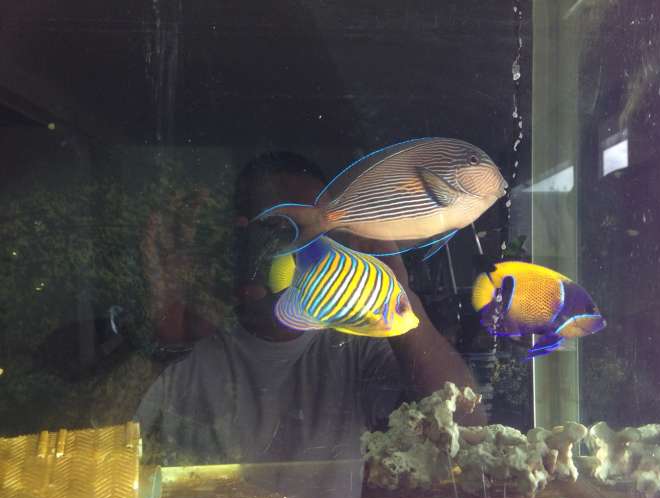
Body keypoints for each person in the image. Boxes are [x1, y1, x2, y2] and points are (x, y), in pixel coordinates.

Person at [135, 151, 486, 471]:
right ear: (240, 235)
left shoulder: (355, 345)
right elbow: (110, 429)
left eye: (320, 229)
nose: (299, 242)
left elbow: (469, 428)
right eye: (282, 227)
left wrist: (395, 291)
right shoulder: (192, 344)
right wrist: (166, 325)